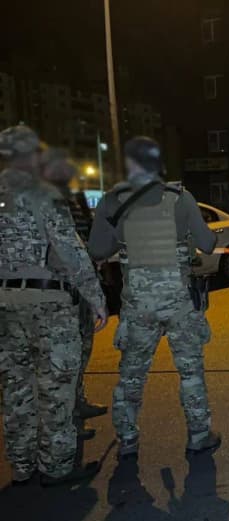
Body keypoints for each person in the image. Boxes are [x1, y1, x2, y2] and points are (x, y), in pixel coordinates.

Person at [87, 136, 221, 460]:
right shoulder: (180, 198)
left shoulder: (112, 201)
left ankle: (127, 440)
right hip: (179, 303)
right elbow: (207, 244)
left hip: (138, 306)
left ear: (128, 163)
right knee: (190, 372)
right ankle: (199, 436)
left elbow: (97, 250)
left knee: (131, 376)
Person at [0, 125, 108, 486]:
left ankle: (21, 464)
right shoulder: (42, 193)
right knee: (55, 387)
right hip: (48, 303)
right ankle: (56, 466)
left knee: (15, 387)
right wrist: (96, 297)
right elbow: (70, 250)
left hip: (4, 305)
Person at [40, 148, 108, 438]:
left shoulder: (75, 199)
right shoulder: (46, 201)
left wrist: (95, 261)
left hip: (81, 282)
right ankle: (65, 422)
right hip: (59, 288)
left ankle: (77, 402)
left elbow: (87, 235)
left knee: (82, 347)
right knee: (59, 361)